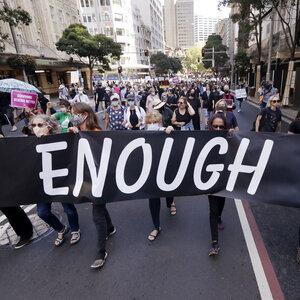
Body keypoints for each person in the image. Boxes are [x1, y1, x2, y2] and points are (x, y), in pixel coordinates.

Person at [68, 103, 116, 269]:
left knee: (97, 215)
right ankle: (109, 228)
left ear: (85, 115)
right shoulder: (73, 132)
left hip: (100, 180)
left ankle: (101, 252)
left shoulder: (97, 134)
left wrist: (80, 136)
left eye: (74, 114)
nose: (71, 117)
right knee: (100, 206)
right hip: (87, 180)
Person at [29, 114, 81, 247]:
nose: (36, 128)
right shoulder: (28, 142)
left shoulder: (59, 139)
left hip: (61, 179)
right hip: (43, 182)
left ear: (49, 126)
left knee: (68, 208)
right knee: (42, 212)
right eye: (33, 125)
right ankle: (61, 229)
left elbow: (72, 148)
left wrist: (72, 133)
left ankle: (75, 229)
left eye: (40, 125)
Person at [145, 110, 176, 241]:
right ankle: (156, 226)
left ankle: (171, 202)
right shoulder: (143, 134)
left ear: (159, 122)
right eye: (150, 122)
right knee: (153, 198)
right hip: (151, 171)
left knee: (168, 190)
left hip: (166, 169)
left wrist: (170, 129)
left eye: (155, 122)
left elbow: (175, 137)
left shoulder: (165, 130)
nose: (152, 124)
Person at [207, 113, 228, 256]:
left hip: (224, 179)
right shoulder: (204, 140)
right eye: (215, 126)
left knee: (221, 204)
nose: (218, 128)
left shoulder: (230, 139)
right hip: (210, 180)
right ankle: (215, 243)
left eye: (221, 126)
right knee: (213, 210)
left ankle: (220, 216)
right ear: (211, 126)